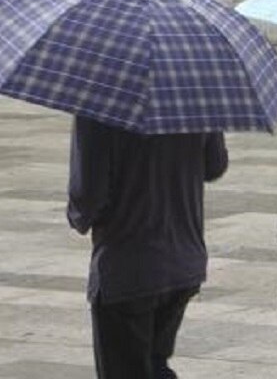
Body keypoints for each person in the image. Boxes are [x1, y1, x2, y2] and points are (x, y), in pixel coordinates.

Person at [68, 116, 228, 379]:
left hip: (127, 266)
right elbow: (215, 165)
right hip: (183, 258)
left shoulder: (98, 104)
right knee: (154, 364)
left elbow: (87, 196)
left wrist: (78, 217)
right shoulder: (194, 95)